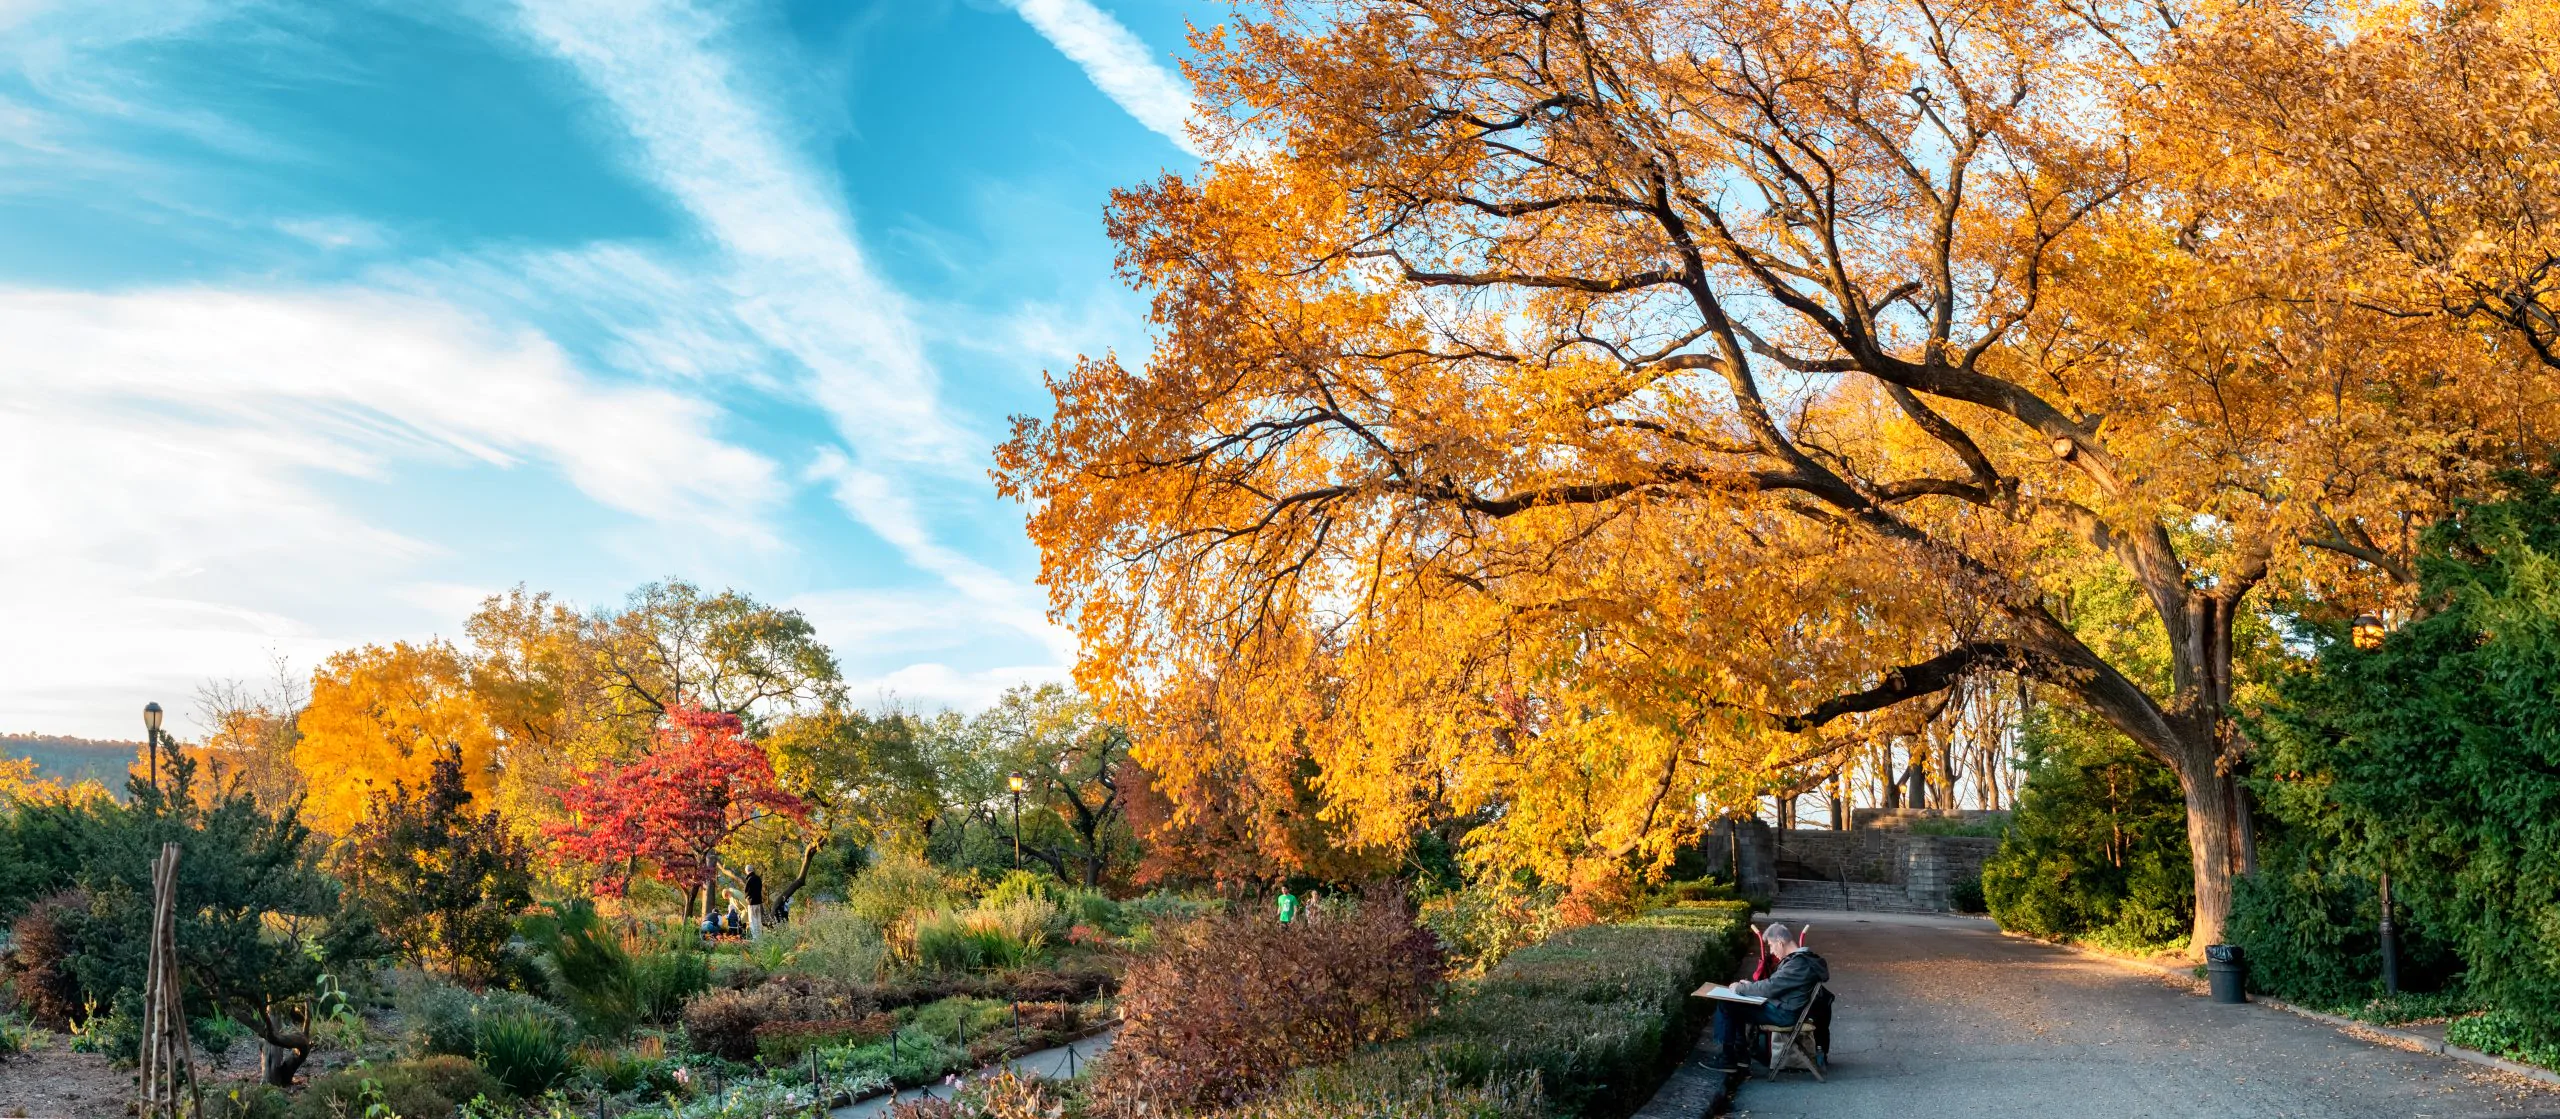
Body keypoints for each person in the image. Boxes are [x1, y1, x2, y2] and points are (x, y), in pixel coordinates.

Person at [1709, 922, 1828, 1077]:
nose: (1771, 951)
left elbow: (1771, 987)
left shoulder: (1798, 964)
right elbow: (1774, 985)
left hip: (1785, 1014)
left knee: (1727, 1004)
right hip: (1784, 1008)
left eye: (1771, 946)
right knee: (1733, 1004)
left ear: (1780, 942)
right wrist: (1751, 986)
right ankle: (1738, 1057)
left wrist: (1740, 988)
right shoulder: (1800, 961)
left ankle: (1728, 1059)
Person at [744, 865, 766, 940]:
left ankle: (755, 938)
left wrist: (747, 898)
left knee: (752, 921)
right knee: (758, 920)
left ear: (747, 871)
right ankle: (760, 937)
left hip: (752, 902)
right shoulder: (758, 878)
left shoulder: (750, 879)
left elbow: (747, 892)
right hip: (758, 902)